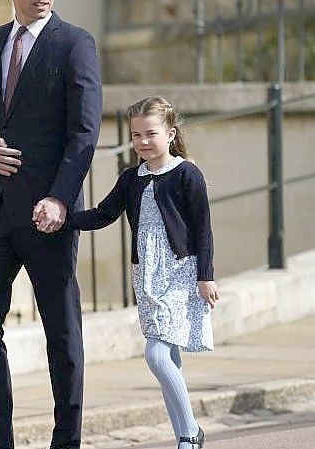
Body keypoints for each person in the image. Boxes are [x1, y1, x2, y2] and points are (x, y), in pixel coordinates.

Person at [0, 0, 102, 447]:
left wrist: (60, 197)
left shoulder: (76, 43)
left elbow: (84, 132)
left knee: (61, 332)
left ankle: (66, 442)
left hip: (48, 216)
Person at [62, 97, 218, 449]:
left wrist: (205, 275)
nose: (143, 141)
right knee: (170, 359)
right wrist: (63, 219)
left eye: (151, 133)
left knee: (157, 355)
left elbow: (203, 229)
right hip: (147, 275)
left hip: (180, 272)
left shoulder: (187, 174)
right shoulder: (132, 178)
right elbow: (103, 214)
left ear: (170, 133)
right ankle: (185, 437)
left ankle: (191, 432)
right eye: (136, 135)